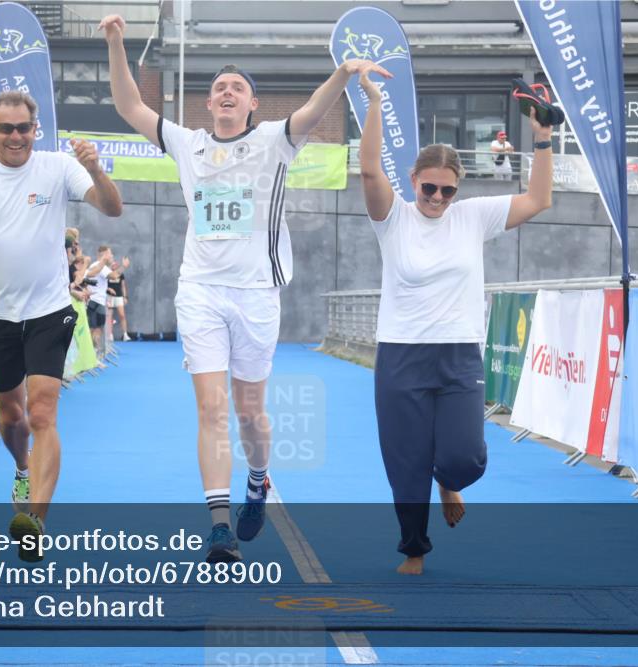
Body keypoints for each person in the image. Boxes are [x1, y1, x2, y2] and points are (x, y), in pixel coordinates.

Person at [101, 13, 389, 562]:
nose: (227, 92)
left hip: (256, 293)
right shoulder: (187, 144)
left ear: (253, 104)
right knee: (210, 409)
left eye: (237, 88)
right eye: (218, 89)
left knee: (250, 410)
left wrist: (344, 73)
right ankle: (218, 523)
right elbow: (129, 106)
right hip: (201, 290)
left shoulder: (275, 142)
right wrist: (116, 42)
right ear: (208, 105)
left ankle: (258, 480)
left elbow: (311, 111)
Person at [358, 72, 552, 575]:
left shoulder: (473, 217)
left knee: (466, 459)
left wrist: (544, 139)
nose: (438, 199)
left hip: (460, 355)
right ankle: (415, 550)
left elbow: (538, 200)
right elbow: (368, 169)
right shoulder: (393, 218)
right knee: (405, 464)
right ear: (413, 181)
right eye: (429, 188)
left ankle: (448, 480)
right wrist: (375, 102)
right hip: (401, 354)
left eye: (447, 191)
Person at [0, 90, 122, 560]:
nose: (16, 137)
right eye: (6, 128)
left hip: (50, 311)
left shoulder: (57, 167)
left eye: (24, 128)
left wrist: (95, 168)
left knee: (42, 414)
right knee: (12, 418)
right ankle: (20, 466)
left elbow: (112, 208)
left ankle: (35, 517)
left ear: (36, 130)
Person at [106, 258, 131, 341]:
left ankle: (125, 334)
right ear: (110, 266)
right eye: (113, 265)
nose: (114, 266)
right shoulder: (107, 274)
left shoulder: (121, 275)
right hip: (109, 296)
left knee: (122, 315)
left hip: (119, 296)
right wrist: (108, 290)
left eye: (116, 265)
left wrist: (125, 297)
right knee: (109, 316)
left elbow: (123, 286)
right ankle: (110, 335)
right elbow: (103, 285)